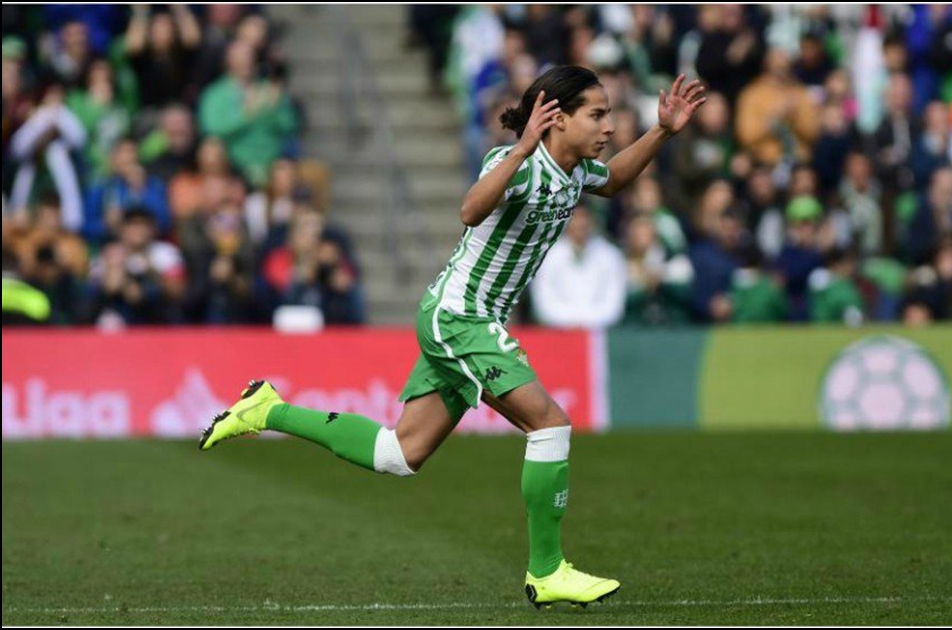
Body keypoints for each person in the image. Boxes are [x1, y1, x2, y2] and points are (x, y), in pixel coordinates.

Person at [199, 66, 706, 608]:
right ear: (556, 117)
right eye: (597, 114)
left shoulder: (576, 172)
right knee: (550, 425)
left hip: (467, 317)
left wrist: (663, 132)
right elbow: (469, 209)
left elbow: (618, 179)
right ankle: (547, 569)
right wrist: (522, 147)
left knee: (400, 453)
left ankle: (267, 410)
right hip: (461, 316)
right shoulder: (517, 165)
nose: (609, 126)